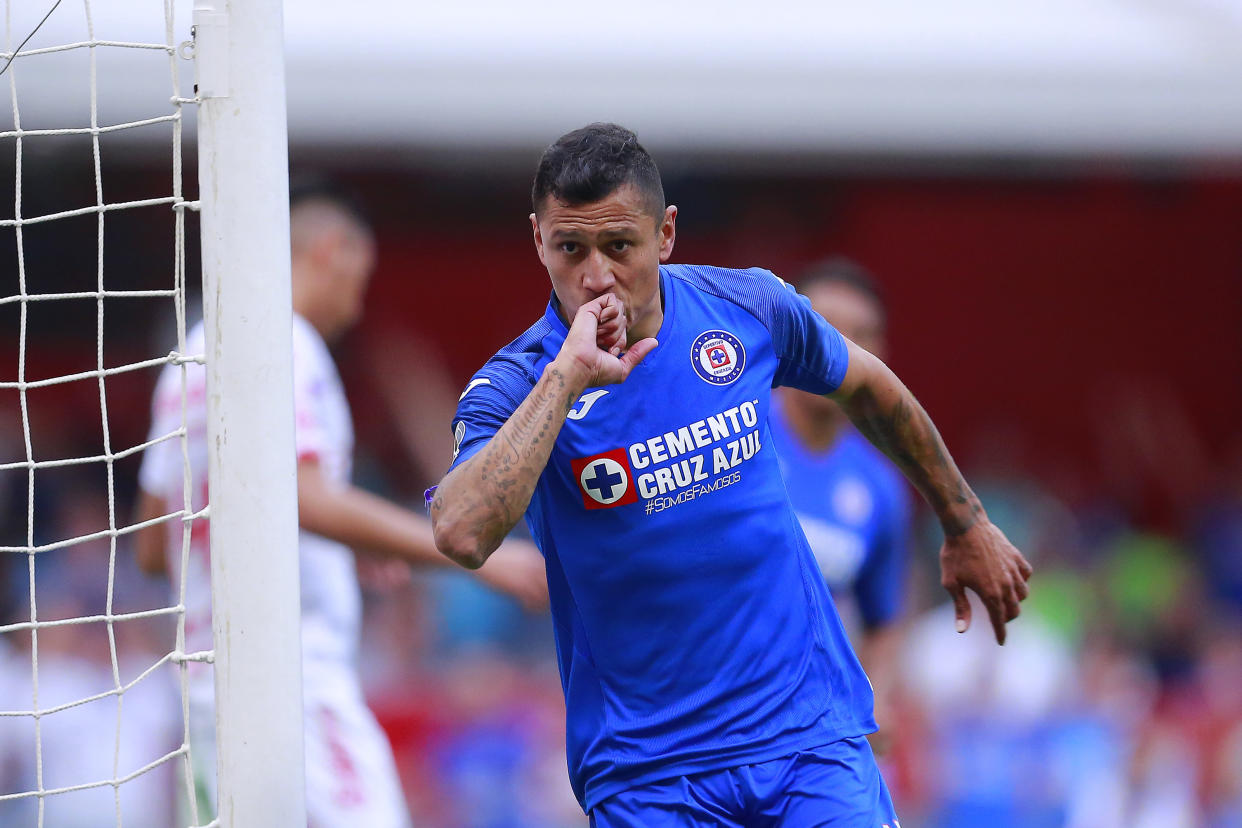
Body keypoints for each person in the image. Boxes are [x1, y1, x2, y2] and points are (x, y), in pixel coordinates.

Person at [429, 123, 1032, 827]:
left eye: (619, 246)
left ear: (667, 234)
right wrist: (565, 377)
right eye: (571, 249)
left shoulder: (746, 308)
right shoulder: (516, 384)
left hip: (806, 737)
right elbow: (461, 532)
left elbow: (869, 385)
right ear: (538, 240)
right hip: (647, 771)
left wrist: (964, 520)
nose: (595, 276)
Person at [133, 179, 548, 827]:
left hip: (206, 688)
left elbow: (155, 547)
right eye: (361, 276)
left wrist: (333, 541)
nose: (358, 303)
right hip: (293, 682)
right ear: (330, 251)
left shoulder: (189, 357)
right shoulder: (284, 345)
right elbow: (304, 498)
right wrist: (479, 560)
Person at [768, 257, 909, 740]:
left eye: (862, 334)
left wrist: (874, 701)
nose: (840, 349)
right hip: (704, 721)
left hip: (810, 731)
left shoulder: (880, 487)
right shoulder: (730, 436)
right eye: (823, 327)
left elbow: (883, 621)